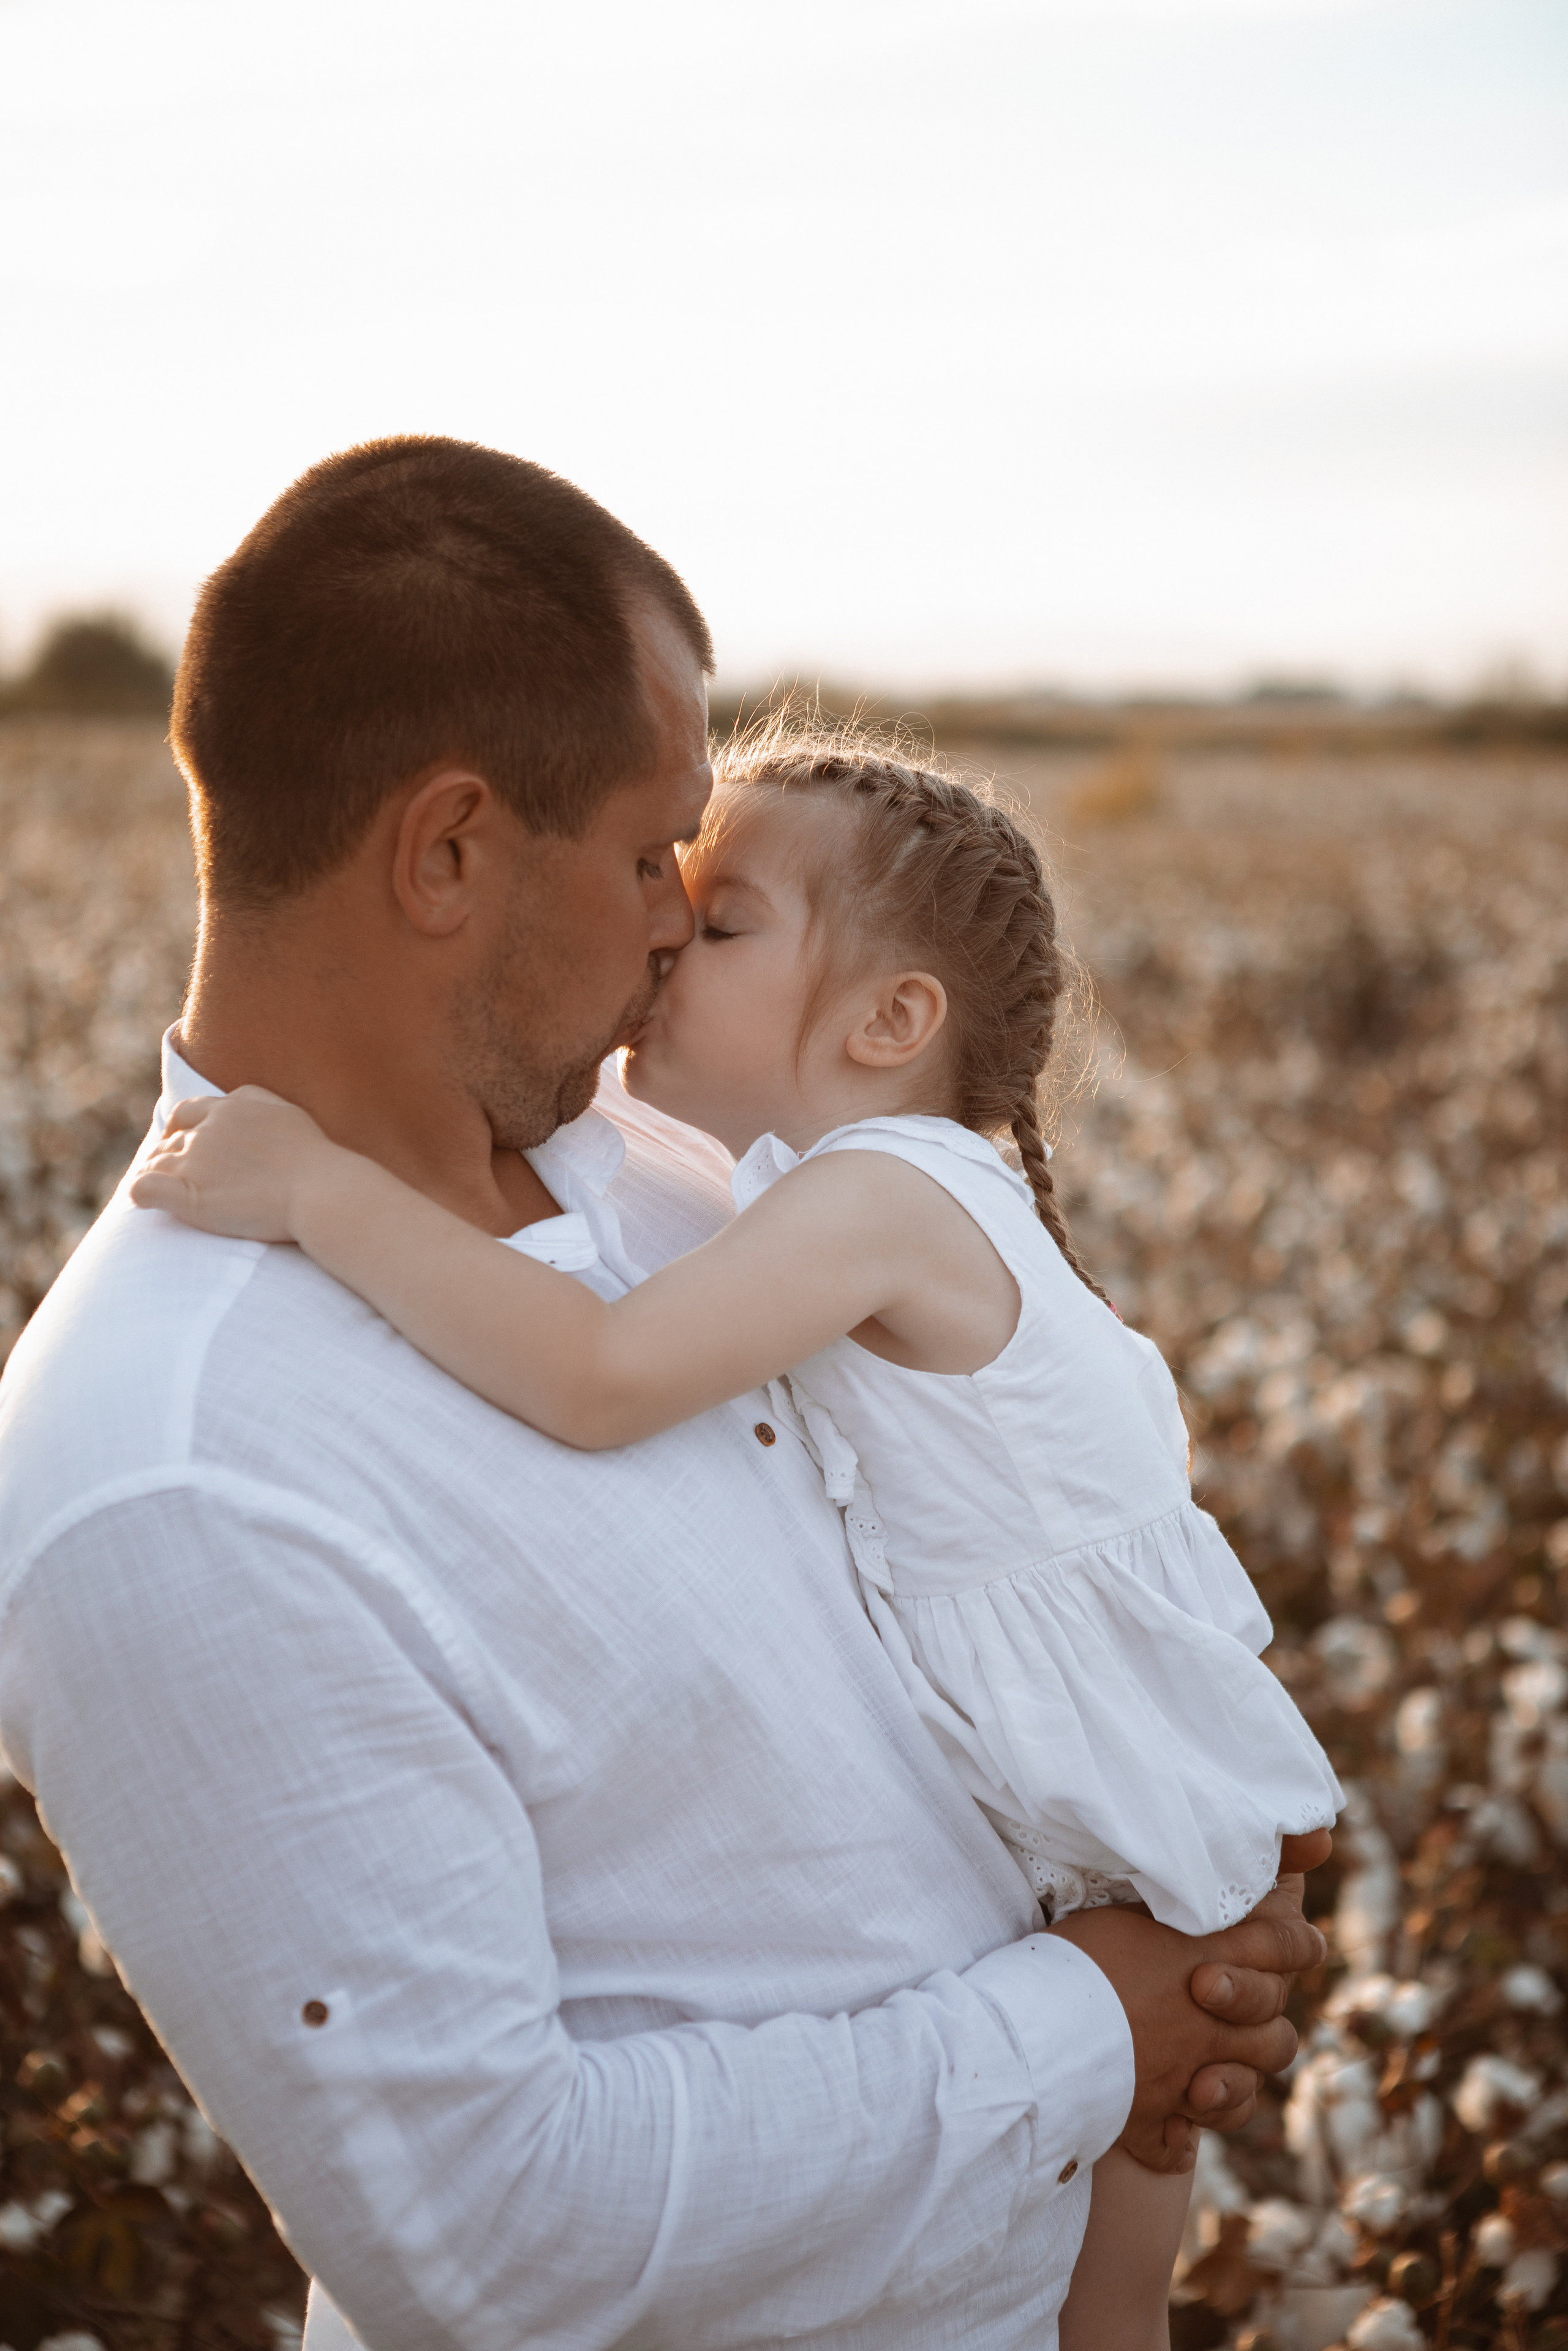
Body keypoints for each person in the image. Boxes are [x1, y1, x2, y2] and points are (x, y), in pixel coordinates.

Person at [0, 437, 1323, 2351]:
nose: (667, 921)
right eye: (649, 860)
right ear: (448, 849)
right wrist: (1094, 2026)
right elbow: (491, 2241)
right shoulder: (174, 1472)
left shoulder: (662, 1150)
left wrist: (1193, 1906)